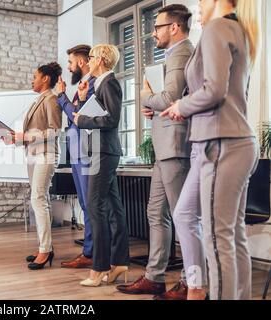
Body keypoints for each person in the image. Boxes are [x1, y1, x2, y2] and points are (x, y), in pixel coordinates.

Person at [161, 0, 259, 300]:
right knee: (232, 237)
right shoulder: (238, 29)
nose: (199, 5)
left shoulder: (218, 28)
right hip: (237, 141)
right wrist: (188, 107)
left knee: (218, 240)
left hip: (220, 142)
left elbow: (214, 90)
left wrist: (181, 105)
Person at [117, 4, 193, 300]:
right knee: (155, 213)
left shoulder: (182, 52)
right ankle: (154, 276)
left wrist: (145, 97)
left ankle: (190, 280)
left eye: (158, 26)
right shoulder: (174, 54)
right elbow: (171, 99)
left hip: (176, 147)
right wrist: (153, 105)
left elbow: (171, 96)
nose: (153, 33)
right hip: (164, 147)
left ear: (174, 27)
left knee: (183, 217)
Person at [72, 44, 130, 286]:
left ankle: (99, 268)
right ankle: (119, 263)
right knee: (113, 208)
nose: (88, 62)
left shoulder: (109, 83)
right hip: (102, 151)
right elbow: (101, 113)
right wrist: (84, 100)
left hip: (103, 153)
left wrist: (82, 118)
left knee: (95, 207)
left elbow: (112, 119)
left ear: (101, 60)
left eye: (92, 57)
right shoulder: (101, 84)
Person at [2, 62, 63, 270]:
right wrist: (16, 138)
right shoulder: (41, 99)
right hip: (34, 154)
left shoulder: (52, 99)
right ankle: (45, 246)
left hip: (46, 155)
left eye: (35, 76)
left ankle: (45, 250)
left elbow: (55, 131)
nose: (32, 79)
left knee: (38, 199)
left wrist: (25, 136)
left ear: (45, 78)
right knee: (40, 198)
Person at [56, 45, 96, 269]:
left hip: (87, 152)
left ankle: (91, 253)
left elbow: (77, 116)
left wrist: (61, 97)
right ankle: (89, 250)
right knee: (83, 202)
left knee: (89, 203)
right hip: (77, 152)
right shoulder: (83, 86)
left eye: (71, 63)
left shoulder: (91, 85)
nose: (69, 67)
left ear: (81, 62)